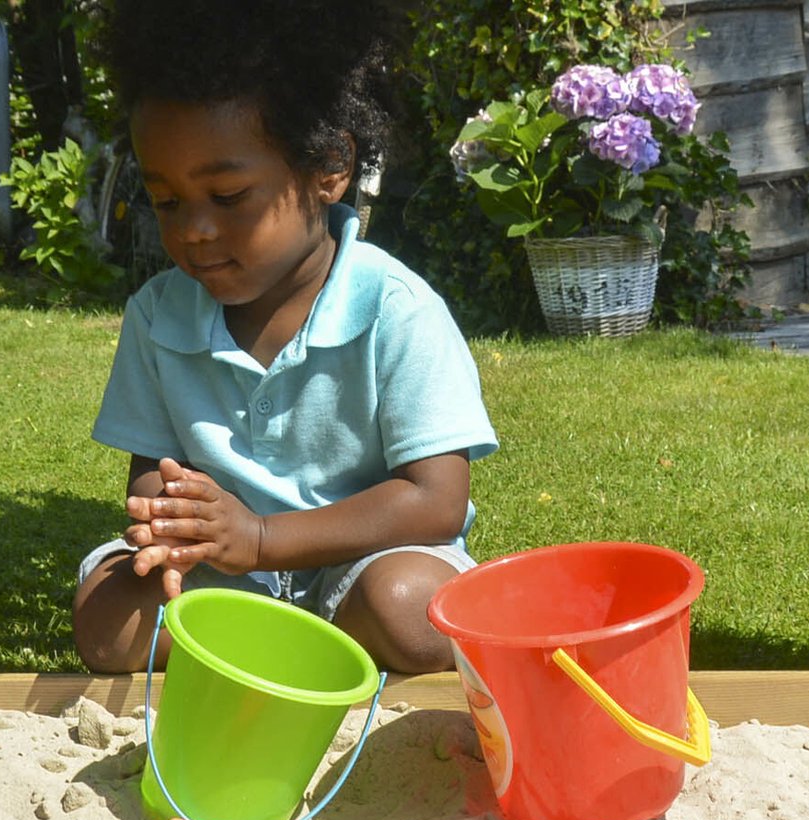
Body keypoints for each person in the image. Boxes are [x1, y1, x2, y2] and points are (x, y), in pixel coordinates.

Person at [72, 0, 497, 676]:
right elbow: (153, 470)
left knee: (411, 609)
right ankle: (281, 658)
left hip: (357, 572)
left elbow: (435, 502)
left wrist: (264, 537)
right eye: (169, 202)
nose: (194, 231)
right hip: (222, 578)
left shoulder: (397, 309)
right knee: (105, 620)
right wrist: (172, 529)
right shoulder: (158, 316)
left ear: (329, 168)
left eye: (229, 196)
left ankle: (290, 655)